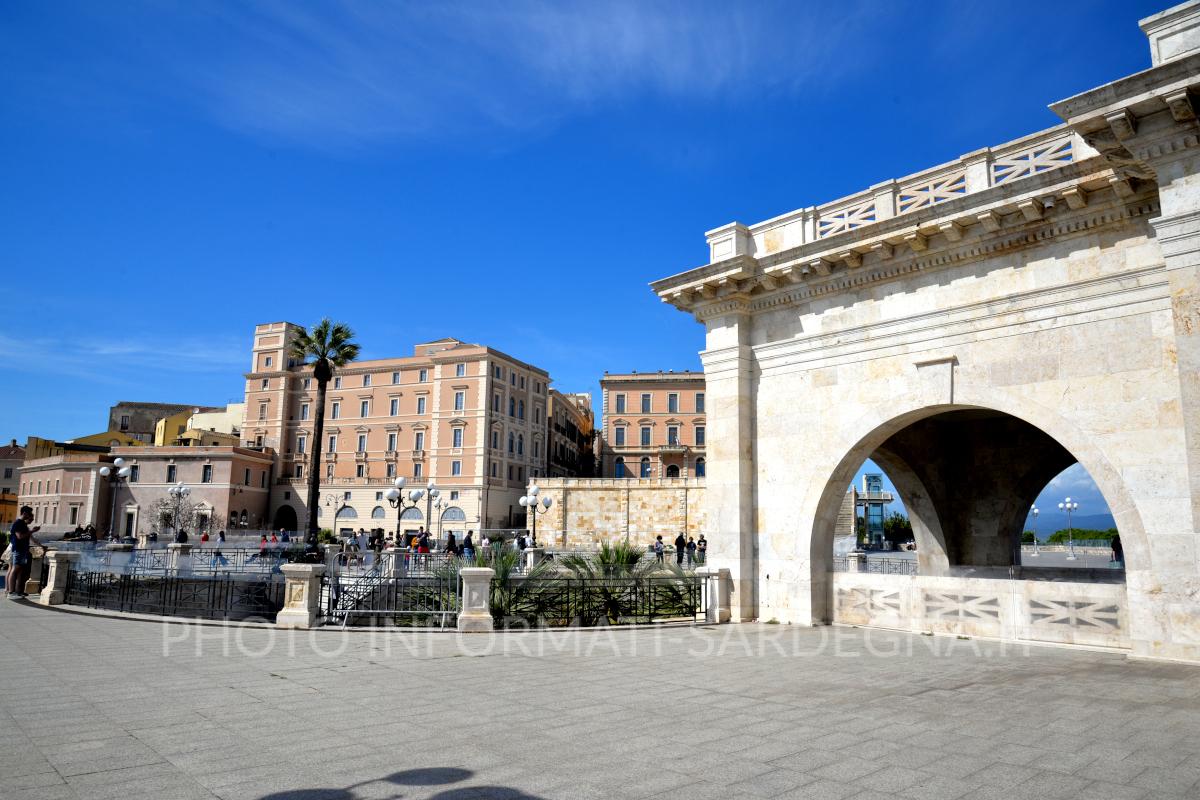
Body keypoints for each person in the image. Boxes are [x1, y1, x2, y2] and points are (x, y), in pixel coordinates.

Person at [6, 506, 41, 598]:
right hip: (18, 549)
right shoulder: (18, 523)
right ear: (24, 513)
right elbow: (19, 536)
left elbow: (27, 536)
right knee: (14, 570)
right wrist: (32, 531)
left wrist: (32, 532)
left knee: (19, 571)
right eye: (29, 514)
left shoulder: (22, 524)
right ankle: (11, 592)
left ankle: (17, 591)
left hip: (22, 549)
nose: (30, 516)